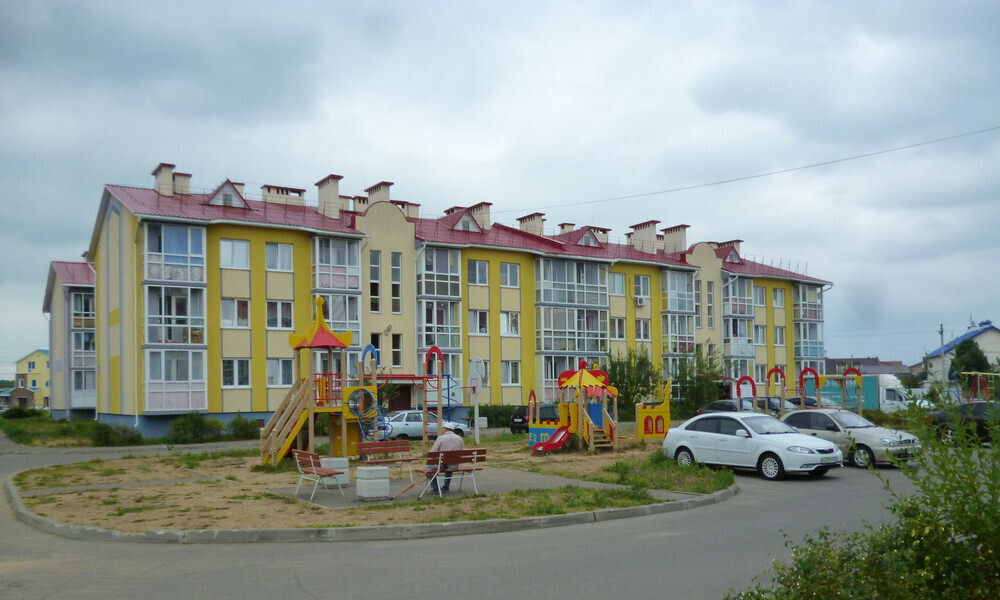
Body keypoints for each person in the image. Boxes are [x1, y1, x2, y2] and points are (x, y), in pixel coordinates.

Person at [428, 421, 464, 493]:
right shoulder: (459, 438)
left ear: (445, 429)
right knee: (449, 463)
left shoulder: (440, 438)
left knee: (429, 467)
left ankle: (436, 488)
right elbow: (462, 451)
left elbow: (432, 453)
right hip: (455, 465)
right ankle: (446, 487)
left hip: (443, 465)